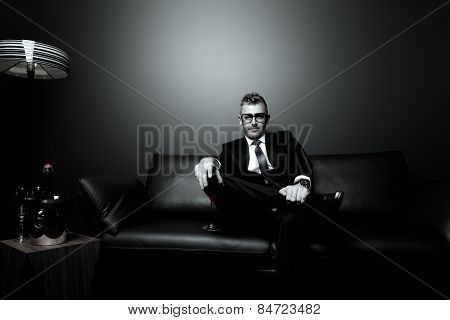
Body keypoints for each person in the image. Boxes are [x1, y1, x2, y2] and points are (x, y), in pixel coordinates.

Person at [194, 92, 343, 296]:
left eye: (259, 116)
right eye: (248, 117)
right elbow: (220, 174)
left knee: (290, 220)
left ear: (267, 118)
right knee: (223, 178)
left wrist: (300, 186)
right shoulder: (230, 149)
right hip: (250, 211)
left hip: (285, 211)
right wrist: (209, 161)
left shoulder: (284, 139)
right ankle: (315, 204)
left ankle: (293, 306)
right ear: (240, 120)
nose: (254, 122)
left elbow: (302, 167)